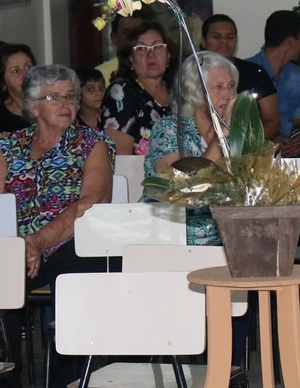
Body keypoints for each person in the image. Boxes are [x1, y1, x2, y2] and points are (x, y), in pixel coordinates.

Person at [0, 64, 113, 388]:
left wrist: (38, 241)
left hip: (69, 241)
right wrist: (17, 247)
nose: (67, 104)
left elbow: (93, 201)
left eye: (71, 97)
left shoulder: (92, 143)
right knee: (2, 274)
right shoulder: (7, 145)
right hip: (17, 247)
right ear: (33, 107)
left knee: (77, 271)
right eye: (55, 98)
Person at [145, 51, 240, 246]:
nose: (228, 94)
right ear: (195, 92)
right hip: (173, 240)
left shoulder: (239, 134)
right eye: (219, 87)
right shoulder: (169, 129)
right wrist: (221, 136)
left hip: (228, 239)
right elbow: (181, 185)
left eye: (231, 86)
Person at [101, 20, 177, 156]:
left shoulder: (178, 91)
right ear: (131, 58)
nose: (151, 54)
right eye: (141, 48)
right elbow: (118, 159)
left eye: (157, 47)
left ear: (169, 55)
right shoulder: (123, 91)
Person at [201, 14, 280, 139]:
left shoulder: (253, 72)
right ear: (203, 41)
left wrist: (245, 143)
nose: (224, 42)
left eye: (230, 37)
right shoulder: (193, 74)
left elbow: (273, 121)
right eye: (216, 37)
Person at [246, 10, 300, 158]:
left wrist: (296, 138)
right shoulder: (247, 72)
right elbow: (239, 128)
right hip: (255, 152)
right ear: (290, 42)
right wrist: (269, 143)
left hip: (289, 152)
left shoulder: (297, 76)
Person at [95, 14, 141, 84]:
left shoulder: (155, 69)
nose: (133, 37)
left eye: (138, 32)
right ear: (114, 38)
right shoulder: (100, 75)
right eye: (127, 32)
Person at [0, 43, 35, 133]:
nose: (25, 74)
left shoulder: (53, 103)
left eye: (28, 67)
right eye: (15, 71)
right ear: (3, 82)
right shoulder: (2, 119)